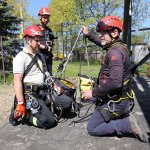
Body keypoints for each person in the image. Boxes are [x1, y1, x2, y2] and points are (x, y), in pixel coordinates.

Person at [81, 16, 147, 142]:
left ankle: (126, 124)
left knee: (92, 128)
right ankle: (122, 113)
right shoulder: (119, 45)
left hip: (117, 102)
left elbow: (115, 82)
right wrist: (88, 34)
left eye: (103, 33)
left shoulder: (114, 52)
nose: (100, 35)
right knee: (91, 99)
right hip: (122, 98)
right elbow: (101, 42)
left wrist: (92, 92)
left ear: (114, 33)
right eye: (99, 32)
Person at [9, 25, 72, 129]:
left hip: (43, 91)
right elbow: (17, 81)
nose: (40, 43)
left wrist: (54, 85)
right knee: (49, 121)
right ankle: (27, 116)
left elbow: (46, 74)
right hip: (30, 94)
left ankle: (42, 109)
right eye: (37, 40)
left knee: (67, 104)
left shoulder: (40, 56)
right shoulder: (20, 57)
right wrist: (20, 102)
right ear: (28, 40)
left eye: (40, 40)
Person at [37, 7, 55, 75]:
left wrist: (51, 45)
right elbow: (32, 43)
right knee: (40, 77)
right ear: (40, 17)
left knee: (49, 76)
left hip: (48, 57)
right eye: (44, 17)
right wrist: (43, 46)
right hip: (38, 57)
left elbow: (52, 41)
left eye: (48, 18)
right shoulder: (35, 29)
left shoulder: (49, 30)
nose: (46, 20)